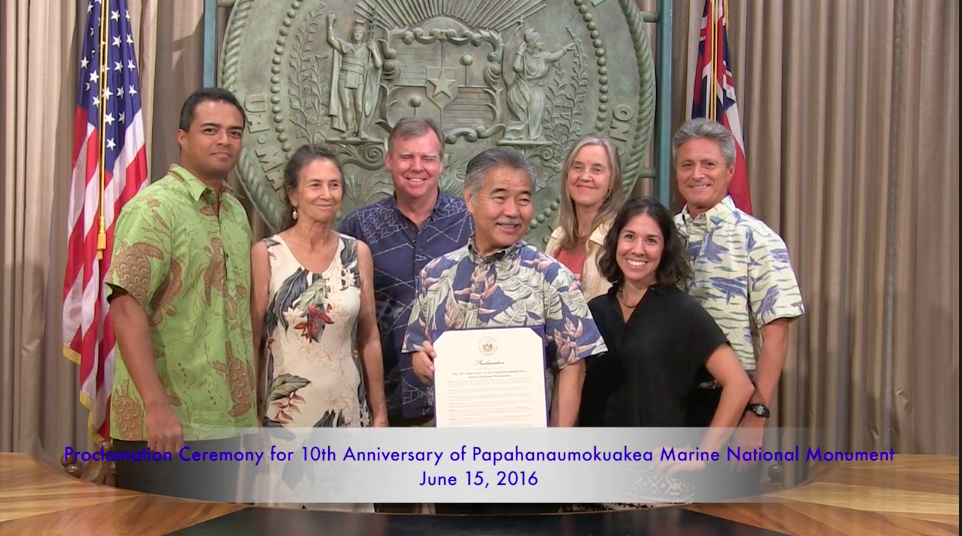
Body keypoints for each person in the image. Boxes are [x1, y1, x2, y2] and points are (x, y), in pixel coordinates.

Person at [405, 146, 607, 515]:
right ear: (470, 199)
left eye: (524, 199)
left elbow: (573, 365)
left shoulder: (551, 275)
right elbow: (420, 351)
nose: (513, 211)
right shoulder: (435, 274)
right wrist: (422, 362)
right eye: (500, 197)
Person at [105, 87, 256, 500]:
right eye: (211, 130)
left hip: (225, 424)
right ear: (183, 136)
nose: (224, 140)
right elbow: (125, 306)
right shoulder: (153, 209)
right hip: (167, 426)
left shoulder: (237, 213)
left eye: (235, 132)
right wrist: (156, 407)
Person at [571, 197, 755, 510]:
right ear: (615, 242)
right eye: (629, 237)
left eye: (651, 240)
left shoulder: (684, 312)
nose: (638, 249)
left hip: (657, 486)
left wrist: (704, 454)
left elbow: (740, 386)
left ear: (665, 249)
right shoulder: (595, 311)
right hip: (594, 481)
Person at [672, 118, 806, 496]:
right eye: (687, 164)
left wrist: (756, 415)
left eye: (709, 164)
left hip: (729, 404)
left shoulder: (759, 240)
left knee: (723, 521)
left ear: (730, 170)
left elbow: (776, 335)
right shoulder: (659, 237)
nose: (697, 174)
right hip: (667, 403)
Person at [250, 144, 387, 511]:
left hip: (345, 412)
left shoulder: (357, 252)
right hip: (286, 415)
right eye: (314, 185)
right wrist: (250, 417)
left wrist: (380, 414)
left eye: (334, 185)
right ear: (293, 194)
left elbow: (369, 335)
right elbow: (254, 339)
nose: (326, 194)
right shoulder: (267, 253)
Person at [338, 118, 472, 428]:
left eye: (427, 158)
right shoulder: (358, 228)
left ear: (441, 163)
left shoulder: (470, 221)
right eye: (406, 156)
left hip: (458, 398)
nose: (417, 167)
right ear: (388, 161)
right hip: (383, 401)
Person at [545, 134, 624, 300]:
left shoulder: (620, 238)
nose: (585, 176)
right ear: (567, 176)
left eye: (597, 169)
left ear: (612, 181)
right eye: (578, 167)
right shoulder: (558, 238)